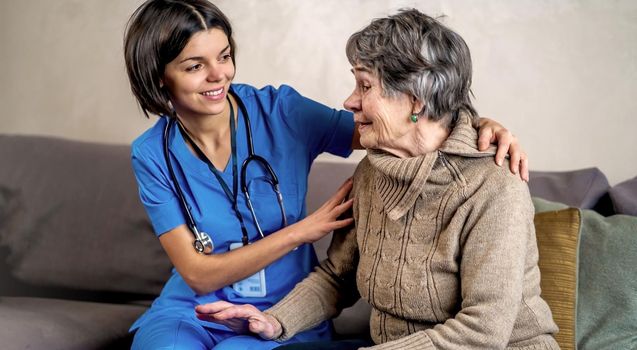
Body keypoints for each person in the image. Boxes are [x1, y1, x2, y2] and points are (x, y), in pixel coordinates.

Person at [124, 1, 530, 349]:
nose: (219, 75)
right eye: (195, 65)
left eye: (225, 56)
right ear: (161, 76)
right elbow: (200, 273)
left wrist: (477, 125)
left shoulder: (281, 113)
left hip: (290, 302)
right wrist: (305, 231)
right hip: (208, 306)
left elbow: (410, 128)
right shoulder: (151, 153)